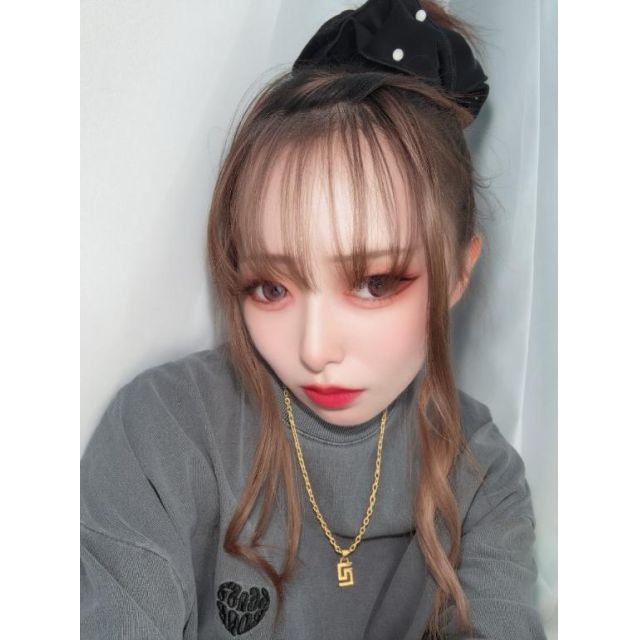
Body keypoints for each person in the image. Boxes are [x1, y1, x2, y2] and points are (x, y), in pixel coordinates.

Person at [81, 1, 547, 638]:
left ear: (459, 272)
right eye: (271, 287)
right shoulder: (164, 435)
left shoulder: (483, 477)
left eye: (374, 282)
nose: (315, 349)